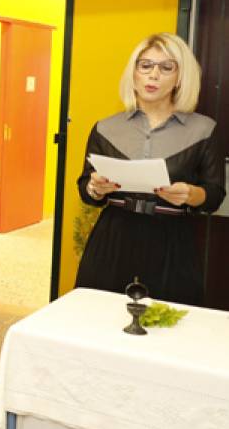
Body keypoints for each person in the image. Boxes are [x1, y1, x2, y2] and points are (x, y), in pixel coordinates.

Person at [76, 33, 225, 305]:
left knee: (170, 321)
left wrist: (192, 194)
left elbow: (214, 195)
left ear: (180, 78)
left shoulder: (204, 130)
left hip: (173, 243)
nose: (153, 75)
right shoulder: (105, 128)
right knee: (99, 317)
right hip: (113, 238)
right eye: (145, 65)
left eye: (166, 67)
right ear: (133, 73)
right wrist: (94, 188)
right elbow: (85, 189)